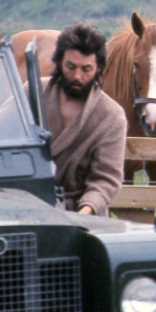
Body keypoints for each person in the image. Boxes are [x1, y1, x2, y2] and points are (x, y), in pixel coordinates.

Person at [44, 23, 127, 216]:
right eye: (70, 67)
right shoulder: (31, 93)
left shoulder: (112, 117)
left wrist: (84, 213)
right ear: (59, 62)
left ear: (99, 68)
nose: (77, 76)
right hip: (32, 208)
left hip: (83, 215)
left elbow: (105, 180)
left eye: (86, 69)